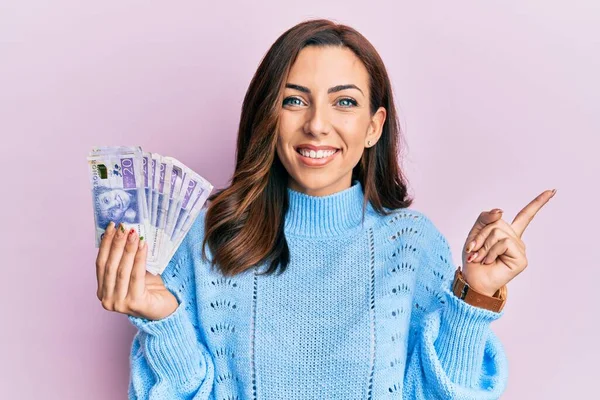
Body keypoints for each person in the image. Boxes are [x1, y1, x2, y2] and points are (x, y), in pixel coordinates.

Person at [95, 18, 555, 399]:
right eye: (294, 100)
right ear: (268, 116)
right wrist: (163, 322)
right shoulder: (207, 238)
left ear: (375, 126)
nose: (317, 124)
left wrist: (473, 298)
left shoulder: (411, 245)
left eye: (345, 102)